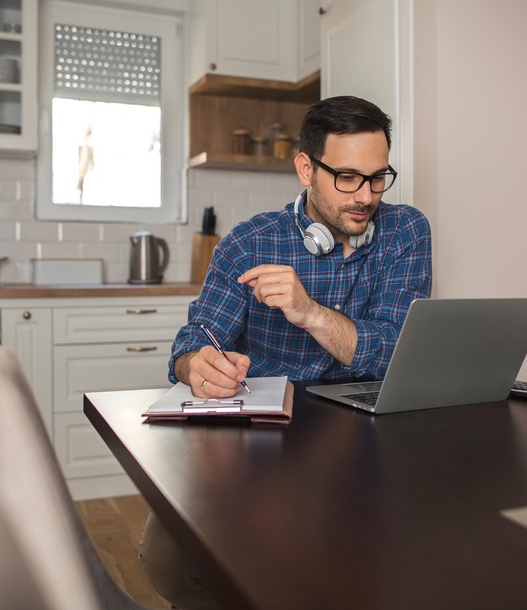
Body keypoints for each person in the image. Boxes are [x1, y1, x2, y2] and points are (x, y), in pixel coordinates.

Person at [139, 95, 432, 609]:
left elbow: (395, 353)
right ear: (305, 168)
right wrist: (199, 367)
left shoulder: (405, 231)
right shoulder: (249, 243)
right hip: (263, 450)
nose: (365, 196)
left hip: (370, 448)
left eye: (377, 177)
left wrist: (309, 311)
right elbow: (191, 346)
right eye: (346, 177)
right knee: (174, 565)